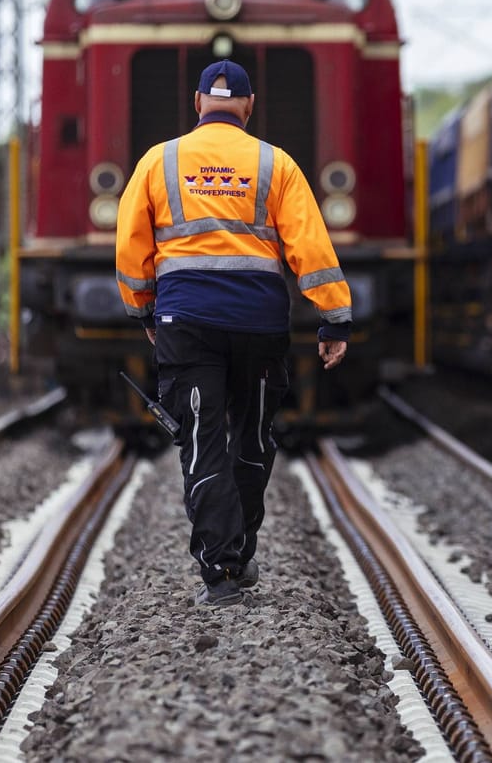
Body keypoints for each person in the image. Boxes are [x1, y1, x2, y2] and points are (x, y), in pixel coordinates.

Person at [115, 59, 352, 607]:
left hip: (186, 323)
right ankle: (237, 552)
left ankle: (221, 569)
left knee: (200, 442)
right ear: (248, 106)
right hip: (260, 325)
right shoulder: (276, 164)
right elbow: (310, 248)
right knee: (252, 440)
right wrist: (334, 316)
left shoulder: (159, 161)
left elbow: (131, 248)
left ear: (198, 103)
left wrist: (143, 309)